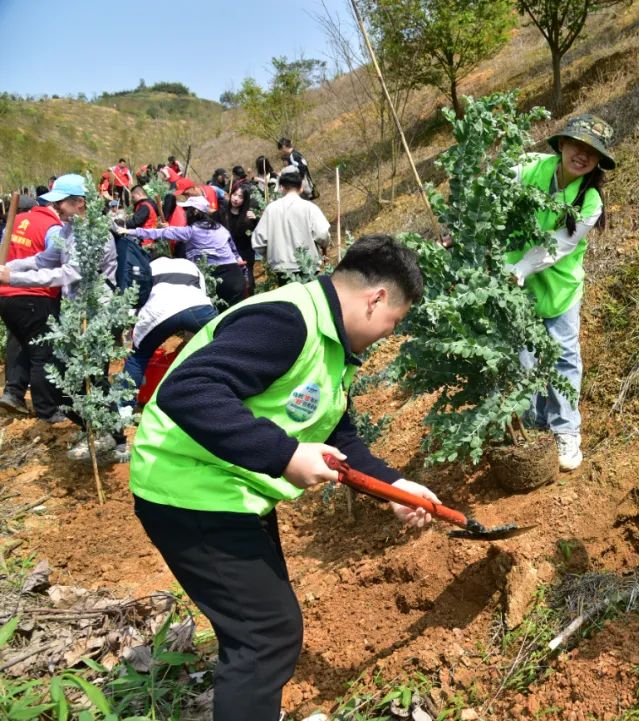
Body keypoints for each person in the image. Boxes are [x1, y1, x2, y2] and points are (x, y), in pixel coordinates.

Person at [129, 235, 439, 721]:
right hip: (188, 492)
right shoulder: (286, 321)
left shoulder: (331, 343)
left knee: (260, 631)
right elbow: (188, 391)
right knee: (266, 633)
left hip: (232, 492)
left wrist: (393, 486)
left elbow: (338, 435)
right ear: (376, 298)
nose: (387, 335)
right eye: (393, 323)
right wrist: (286, 453)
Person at [504, 115, 615, 472]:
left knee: (562, 358)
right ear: (562, 144)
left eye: (591, 152)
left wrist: (520, 268)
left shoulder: (590, 201)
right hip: (515, 284)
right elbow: (489, 193)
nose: (581, 155)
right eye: (577, 146)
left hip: (558, 289)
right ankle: (536, 428)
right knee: (523, 358)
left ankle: (566, 431)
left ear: (597, 162)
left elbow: (556, 246)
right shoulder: (529, 167)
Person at [0, 174, 127, 458]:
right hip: (74, 316)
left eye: (61, 203)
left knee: (93, 379)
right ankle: (94, 428)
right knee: (64, 380)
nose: (56, 209)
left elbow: (68, 273)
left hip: (97, 316)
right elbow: (43, 260)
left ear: (80, 203)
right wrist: (9, 265)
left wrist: (13, 279)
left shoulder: (97, 235)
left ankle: (115, 439)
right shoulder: (67, 231)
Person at [0, 186, 69, 422]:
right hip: (34, 295)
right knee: (43, 353)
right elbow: (55, 260)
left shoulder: (17, 221)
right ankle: (47, 410)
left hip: (6, 294)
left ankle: (13, 393)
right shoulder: (53, 229)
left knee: (19, 342)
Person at [119, 256, 217, 409]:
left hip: (158, 313)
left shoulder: (149, 266)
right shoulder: (189, 264)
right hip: (196, 306)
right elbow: (203, 292)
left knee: (138, 357)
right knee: (221, 341)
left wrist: (134, 324)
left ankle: (124, 408)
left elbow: (138, 296)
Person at [122, 196, 245, 307]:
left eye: (187, 210)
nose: (185, 213)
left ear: (195, 211)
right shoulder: (221, 228)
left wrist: (128, 231)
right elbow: (235, 253)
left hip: (216, 280)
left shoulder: (191, 231)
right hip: (235, 277)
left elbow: (157, 233)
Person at [251, 171, 330, 276]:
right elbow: (322, 234)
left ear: (281, 188)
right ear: (301, 188)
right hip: (309, 265)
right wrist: (324, 245)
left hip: (282, 269)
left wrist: (269, 256)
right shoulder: (309, 207)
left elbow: (258, 241)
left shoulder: (271, 209)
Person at [223, 184, 259, 294]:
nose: (236, 199)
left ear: (245, 200)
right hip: (227, 253)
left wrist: (256, 220)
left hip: (245, 253)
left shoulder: (248, 216)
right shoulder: (223, 213)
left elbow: (259, 231)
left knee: (248, 282)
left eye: (240, 197)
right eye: (234, 195)